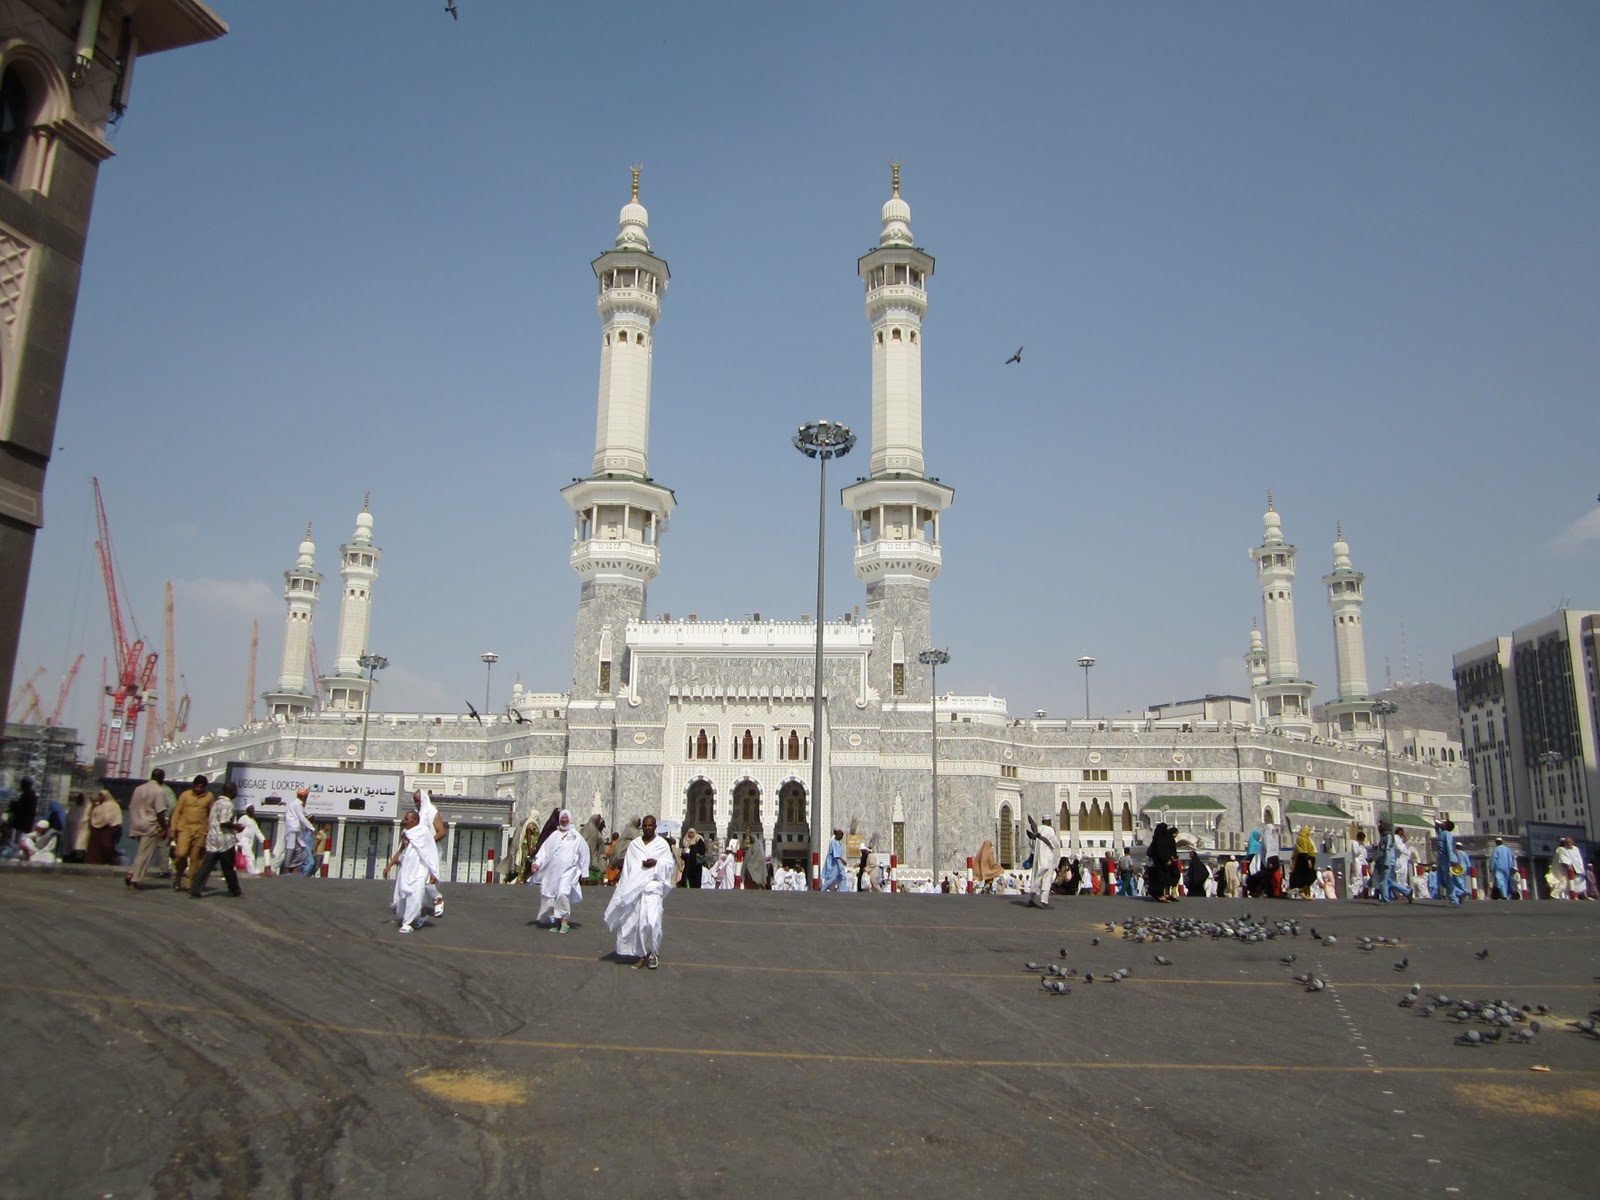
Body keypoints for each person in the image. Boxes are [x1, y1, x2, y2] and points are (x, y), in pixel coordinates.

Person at [603, 814, 676, 969]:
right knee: (637, 923)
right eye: (645, 825)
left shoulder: (662, 845)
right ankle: (643, 955)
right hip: (636, 889)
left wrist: (656, 863)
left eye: (651, 825)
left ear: (655, 827)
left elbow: (669, 865)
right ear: (642, 826)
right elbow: (629, 868)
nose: (648, 828)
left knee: (651, 922)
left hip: (652, 888)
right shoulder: (635, 845)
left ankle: (653, 952)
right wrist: (624, 887)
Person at [528, 808, 590, 933]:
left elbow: (584, 853)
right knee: (552, 895)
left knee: (562, 893)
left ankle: (564, 920)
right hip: (553, 871)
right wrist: (537, 863)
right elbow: (544, 852)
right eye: (562, 818)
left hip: (569, 871)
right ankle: (557, 920)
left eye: (567, 818)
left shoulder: (576, 836)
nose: (564, 820)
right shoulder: (554, 836)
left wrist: (584, 872)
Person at [383, 811, 438, 933]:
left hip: (420, 869)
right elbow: (401, 850)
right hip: (407, 869)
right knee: (403, 896)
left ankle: (407, 924)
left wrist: (434, 872)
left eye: (407, 819)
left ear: (414, 820)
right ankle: (415, 918)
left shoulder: (424, 832)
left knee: (416, 896)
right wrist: (389, 865)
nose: (404, 821)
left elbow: (431, 852)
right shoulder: (406, 834)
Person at [188, 782, 244, 899]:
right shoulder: (228, 805)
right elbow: (224, 822)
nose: (236, 793)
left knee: (206, 867)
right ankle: (234, 890)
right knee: (228, 867)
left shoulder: (216, 803)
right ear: (231, 792)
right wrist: (236, 826)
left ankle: (195, 889)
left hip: (212, 839)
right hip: (225, 841)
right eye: (235, 791)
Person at [125, 769, 172, 890]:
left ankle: (131, 873)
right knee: (144, 854)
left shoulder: (139, 788)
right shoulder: (159, 790)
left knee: (140, 851)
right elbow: (160, 811)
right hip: (150, 825)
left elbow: (132, 806)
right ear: (162, 778)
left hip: (136, 823)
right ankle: (134, 879)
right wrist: (164, 827)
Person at [1024, 815, 1061, 908]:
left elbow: (1031, 843)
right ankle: (1044, 901)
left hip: (1037, 858)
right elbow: (1055, 844)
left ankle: (1031, 900)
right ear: (1049, 821)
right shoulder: (1050, 830)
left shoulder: (1037, 829)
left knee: (1036, 877)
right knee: (1046, 879)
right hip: (1047, 858)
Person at [280, 788, 316, 877]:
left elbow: (303, 816)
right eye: (306, 796)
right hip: (293, 829)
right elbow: (302, 818)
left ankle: (294, 870)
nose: (307, 798)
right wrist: (312, 828)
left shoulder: (299, 804)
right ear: (303, 796)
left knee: (301, 851)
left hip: (297, 830)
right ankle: (286, 869)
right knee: (291, 849)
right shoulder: (296, 804)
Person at [85, 788, 123, 865]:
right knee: (94, 847)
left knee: (106, 846)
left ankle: (107, 861)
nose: (100, 797)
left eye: (101, 796)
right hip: (96, 829)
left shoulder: (113, 805)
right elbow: (92, 815)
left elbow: (113, 817)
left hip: (108, 829)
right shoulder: (98, 806)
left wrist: (108, 823)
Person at [1434, 818, 1463, 906]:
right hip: (1441, 860)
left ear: (1446, 826)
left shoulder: (1447, 834)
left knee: (1448, 880)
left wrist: (1452, 860)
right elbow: (1436, 828)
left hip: (1447, 860)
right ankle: (1458, 892)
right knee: (1442, 881)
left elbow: (1449, 847)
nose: (1442, 823)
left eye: (1444, 823)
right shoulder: (1441, 833)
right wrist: (1437, 823)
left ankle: (1454, 899)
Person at [1148, 822, 1179, 902]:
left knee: (1163, 877)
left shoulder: (1157, 838)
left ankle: (1164, 894)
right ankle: (1161, 895)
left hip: (1158, 862)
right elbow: (1162, 850)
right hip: (1161, 862)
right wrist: (1167, 859)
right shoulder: (1162, 839)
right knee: (1161, 878)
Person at [235, 803, 267, 875]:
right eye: (251, 808)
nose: (253, 810)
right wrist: (239, 842)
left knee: (248, 856)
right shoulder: (243, 818)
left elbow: (257, 832)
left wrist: (264, 841)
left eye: (253, 809)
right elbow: (238, 829)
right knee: (250, 856)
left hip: (250, 841)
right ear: (247, 810)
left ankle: (250, 870)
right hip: (243, 840)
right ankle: (252, 871)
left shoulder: (253, 820)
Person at [1289, 827, 1317, 899]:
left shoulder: (1307, 839)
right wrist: (1308, 861)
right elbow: (1303, 852)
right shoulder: (1301, 839)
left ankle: (1306, 893)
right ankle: (1301, 891)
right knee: (1311, 876)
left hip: (1307, 859)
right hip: (1304, 861)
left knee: (1307, 877)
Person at [7, 777, 38, 842]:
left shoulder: (28, 795)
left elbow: (22, 808)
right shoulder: (29, 794)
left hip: (23, 823)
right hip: (25, 823)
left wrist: (13, 805)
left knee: (19, 840)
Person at [579, 814, 607, 884]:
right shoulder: (589, 829)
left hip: (594, 855)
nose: (598, 822)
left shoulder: (595, 830)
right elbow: (587, 843)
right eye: (597, 820)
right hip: (590, 855)